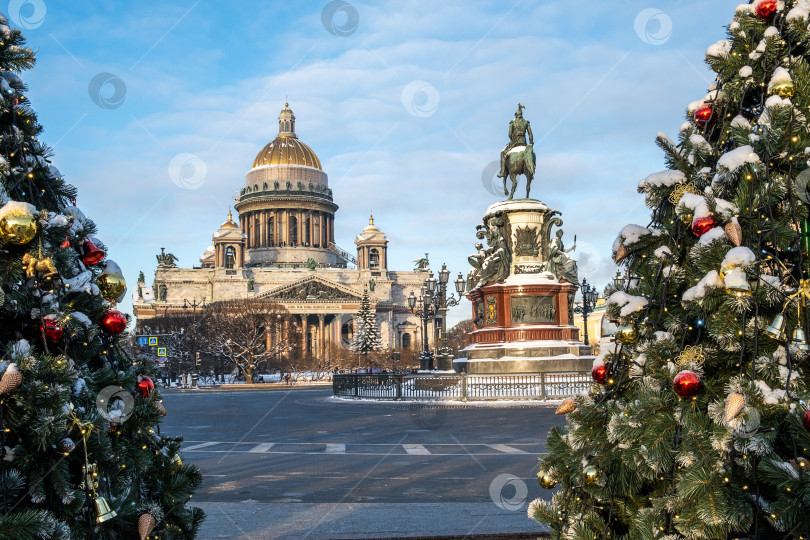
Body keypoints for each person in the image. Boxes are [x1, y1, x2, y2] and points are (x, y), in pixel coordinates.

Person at [498, 104, 533, 178]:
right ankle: (531, 171)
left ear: (516, 115)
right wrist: (531, 143)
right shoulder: (526, 122)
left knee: (503, 153)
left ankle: (502, 171)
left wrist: (512, 140)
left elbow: (509, 134)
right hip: (523, 142)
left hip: (515, 142)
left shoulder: (512, 123)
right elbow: (530, 134)